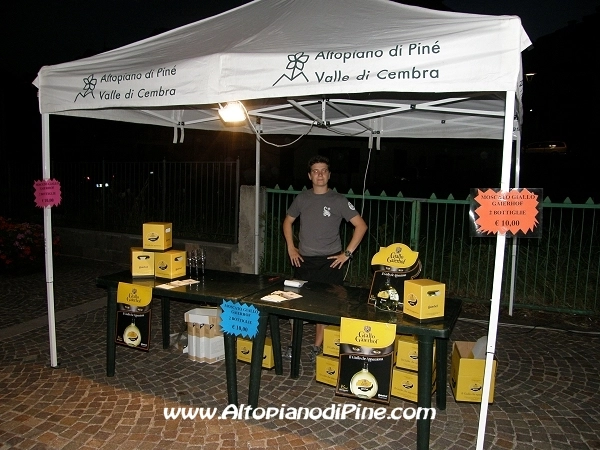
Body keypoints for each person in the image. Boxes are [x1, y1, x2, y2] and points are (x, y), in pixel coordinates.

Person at [282, 155, 368, 362]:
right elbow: (287, 222)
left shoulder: (338, 200)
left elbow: (361, 226)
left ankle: (316, 346)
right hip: (304, 261)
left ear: (329, 175)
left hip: (330, 262)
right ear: (309, 175)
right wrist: (291, 248)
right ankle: (293, 344)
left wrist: (347, 254)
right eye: (315, 171)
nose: (319, 174)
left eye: (323, 171)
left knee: (324, 307)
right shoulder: (302, 198)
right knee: (296, 304)